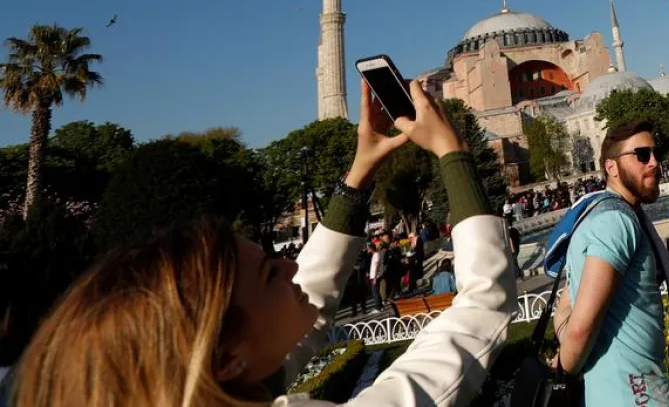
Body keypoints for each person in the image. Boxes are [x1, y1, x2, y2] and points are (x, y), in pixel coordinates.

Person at [14, 79, 514, 407]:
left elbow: (309, 303)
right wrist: (453, 153)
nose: (291, 268)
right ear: (228, 358)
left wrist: (359, 173)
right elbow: (481, 306)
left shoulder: (225, 381)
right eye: (270, 272)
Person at [554, 120, 669, 406]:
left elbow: (567, 309)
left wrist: (567, 351)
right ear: (611, 167)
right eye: (642, 155)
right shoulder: (615, 222)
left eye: (655, 153)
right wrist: (565, 366)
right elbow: (579, 328)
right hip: (634, 396)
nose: (655, 162)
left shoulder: (597, 215)